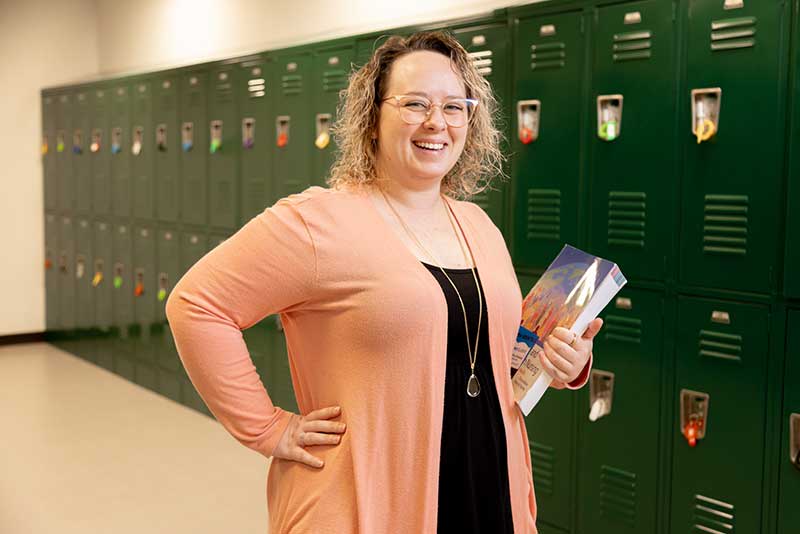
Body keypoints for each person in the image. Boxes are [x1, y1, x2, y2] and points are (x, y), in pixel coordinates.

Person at [166, 30, 602, 534]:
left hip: (487, 491)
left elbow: (493, 357)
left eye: (454, 107)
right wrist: (267, 428)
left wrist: (565, 361)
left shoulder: (478, 226)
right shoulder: (318, 222)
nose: (436, 122)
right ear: (373, 118)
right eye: (414, 103)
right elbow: (197, 305)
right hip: (371, 501)